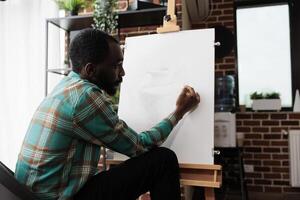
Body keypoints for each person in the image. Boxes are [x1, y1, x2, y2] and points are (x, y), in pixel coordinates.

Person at [15, 28, 200, 200]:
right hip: (58, 198)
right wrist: (179, 111)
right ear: (91, 70)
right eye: (116, 66)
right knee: (162, 160)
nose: (123, 73)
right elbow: (138, 146)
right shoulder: (85, 96)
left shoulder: (67, 86)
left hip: (30, 194)